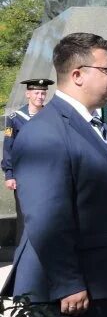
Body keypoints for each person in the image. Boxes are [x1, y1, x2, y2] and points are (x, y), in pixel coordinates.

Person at [0, 33, 107, 317]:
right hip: (72, 295)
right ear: (78, 74)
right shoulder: (45, 131)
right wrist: (69, 284)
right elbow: (47, 216)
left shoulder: (95, 125)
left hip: (106, 284)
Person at [3, 78, 53, 243]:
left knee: (47, 214)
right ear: (28, 94)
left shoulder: (51, 116)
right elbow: (8, 148)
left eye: (43, 92)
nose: (40, 96)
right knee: (24, 216)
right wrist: (9, 174)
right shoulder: (15, 118)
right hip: (23, 176)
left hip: (47, 175)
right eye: (37, 92)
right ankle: (22, 254)